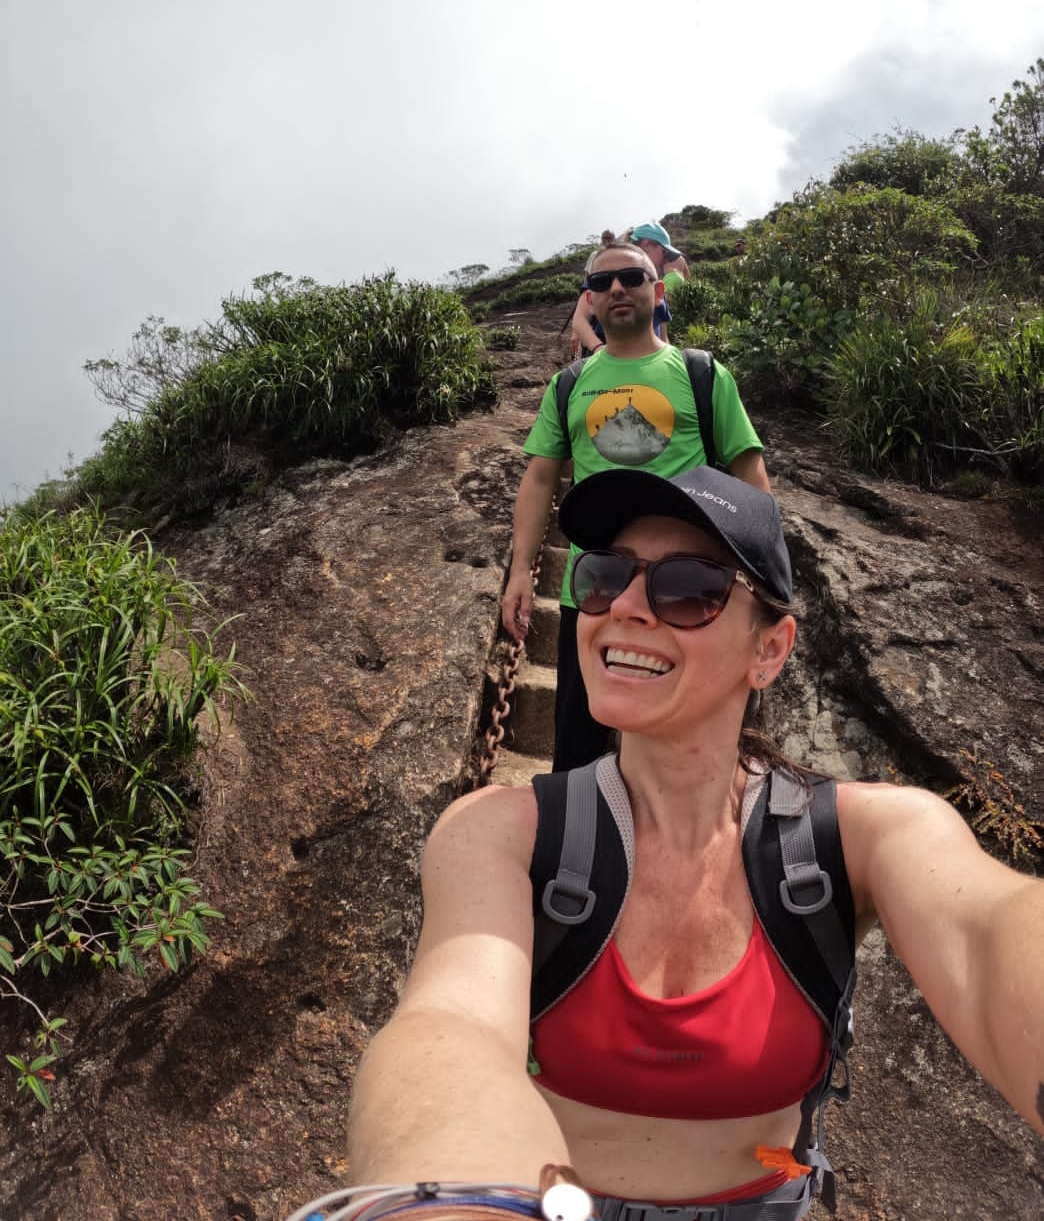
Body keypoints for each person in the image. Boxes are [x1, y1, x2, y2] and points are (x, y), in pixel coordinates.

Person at [347, 466, 1044, 1220]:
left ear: (770, 650)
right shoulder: (501, 832)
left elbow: (986, 935)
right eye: (605, 577)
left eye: (689, 589)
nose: (628, 609)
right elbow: (449, 1028)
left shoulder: (864, 837)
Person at [503, 239, 769, 772]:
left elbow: (748, 474)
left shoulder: (701, 374)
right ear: (590, 302)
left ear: (659, 290)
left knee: (686, 747)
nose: (617, 289)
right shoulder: (568, 385)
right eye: (601, 283)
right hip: (595, 587)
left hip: (686, 587)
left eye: (631, 277)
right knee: (578, 743)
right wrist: (519, 574)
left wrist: (763, 577)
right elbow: (538, 480)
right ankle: (578, 844)